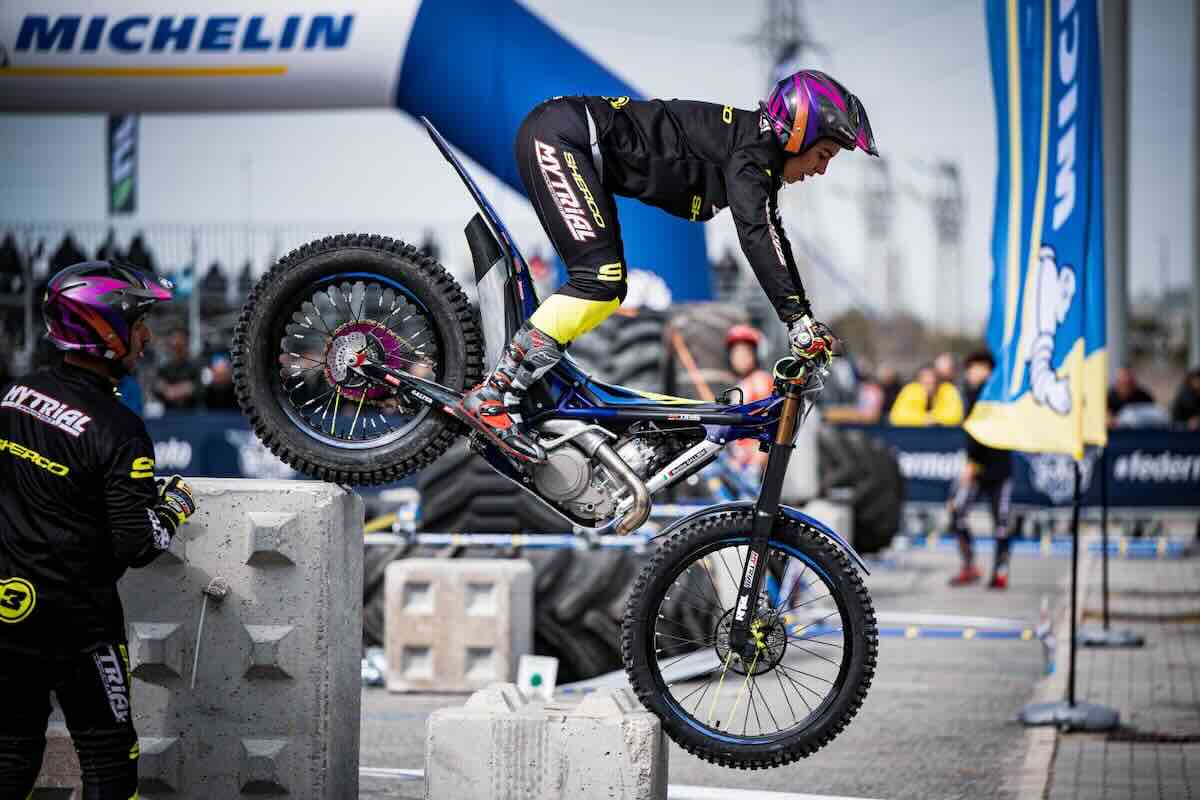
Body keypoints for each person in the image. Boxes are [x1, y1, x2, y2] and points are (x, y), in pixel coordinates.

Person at [449, 70, 877, 462]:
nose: (821, 169)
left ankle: (521, 382)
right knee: (600, 279)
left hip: (567, 138)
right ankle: (496, 393)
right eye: (823, 154)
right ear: (796, 134)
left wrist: (803, 317)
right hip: (561, 139)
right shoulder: (751, 156)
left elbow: (771, 232)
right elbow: (758, 236)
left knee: (609, 287)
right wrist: (799, 322)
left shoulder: (753, 154)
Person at [0, 261, 198, 799]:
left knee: (11, 752)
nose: (147, 335)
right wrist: (176, 507)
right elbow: (137, 543)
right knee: (110, 758)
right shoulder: (119, 430)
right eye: (138, 322)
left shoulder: (15, 395)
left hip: (7, 610)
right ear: (103, 329)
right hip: (79, 623)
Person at [947, 351, 1013, 588]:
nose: (972, 372)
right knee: (957, 512)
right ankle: (969, 566)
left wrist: (972, 464)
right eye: (971, 367)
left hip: (998, 468)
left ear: (988, 370)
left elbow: (986, 434)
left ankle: (1001, 572)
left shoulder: (995, 395)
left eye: (978, 367)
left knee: (1001, 523)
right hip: (978, 467)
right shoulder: (970, 393)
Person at [725, 324, 773, 469]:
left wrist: (756, 462)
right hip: (740, 460)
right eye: (735, 353)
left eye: (745, 353)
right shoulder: (741, 385)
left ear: (756, 354)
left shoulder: (761, 381)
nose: (739, 358)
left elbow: (769, 425)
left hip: (754, 463)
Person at [888, 365, 964, 426]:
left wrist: (934, 420)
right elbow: (896, 417)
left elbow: (956, 416)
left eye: (933, 380)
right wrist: (924, 419)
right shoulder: (911, 390)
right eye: (926, 382)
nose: (930, 381)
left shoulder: (948, 390)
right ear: (919, 381)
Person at [154, 327, 201, 410]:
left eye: (180, 347)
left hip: (192, 415)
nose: (176, 350)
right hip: (170, 416)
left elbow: (200, 388)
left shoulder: (195, 366)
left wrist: (178, 390)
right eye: (174, 347)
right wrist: (167, 390)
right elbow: (157, 387)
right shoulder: (164, 368)